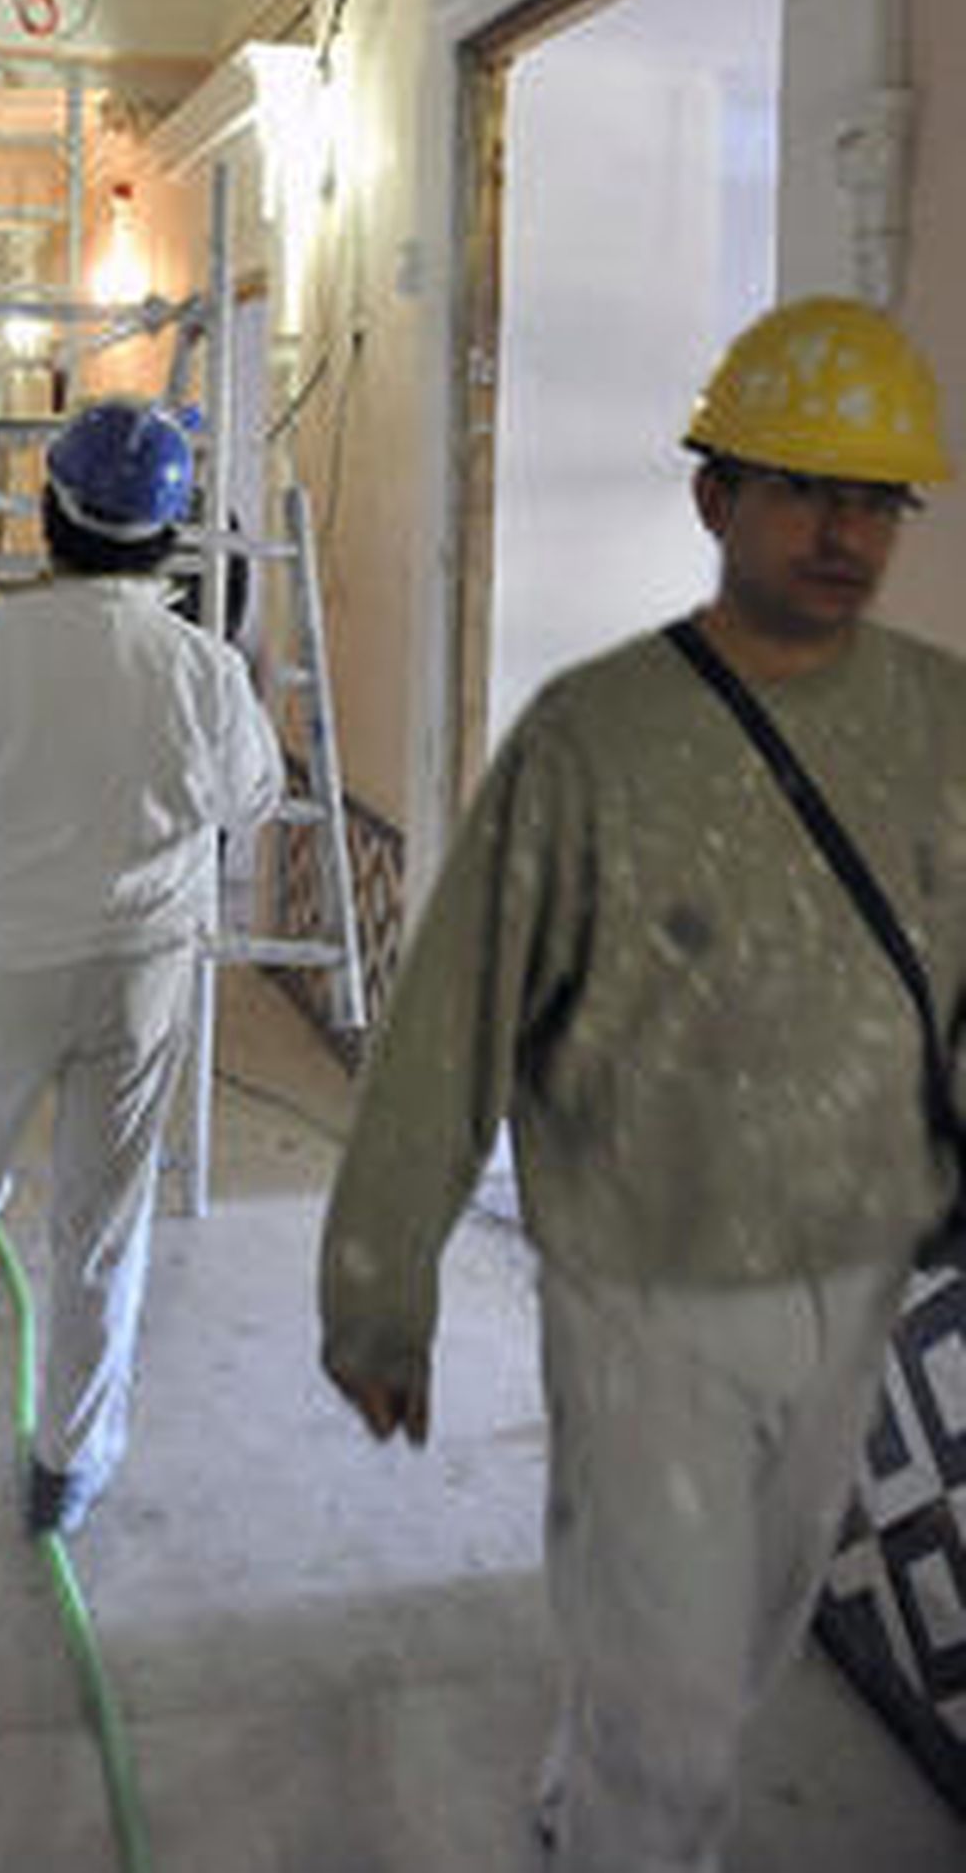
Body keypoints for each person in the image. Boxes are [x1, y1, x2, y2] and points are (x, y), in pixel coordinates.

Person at [318, 295, 966, 1872]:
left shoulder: (946, 717)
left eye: (878, 499)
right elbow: (450, 1020)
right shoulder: (591, 737)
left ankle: (602, 1764)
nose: (846, 533)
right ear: (713, 497)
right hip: (648, 1285)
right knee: (674, 1719)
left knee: (736, 1636)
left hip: (861, 1262)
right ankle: (625, 1805)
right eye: (807, 488)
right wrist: (378, 1287)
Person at [0, 396, 283, 1534]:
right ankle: (67, 1463)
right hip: (141, 971)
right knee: (102, 1214)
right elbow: (251, 798)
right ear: (168, 538)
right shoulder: (203, 667)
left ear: (48, 512)